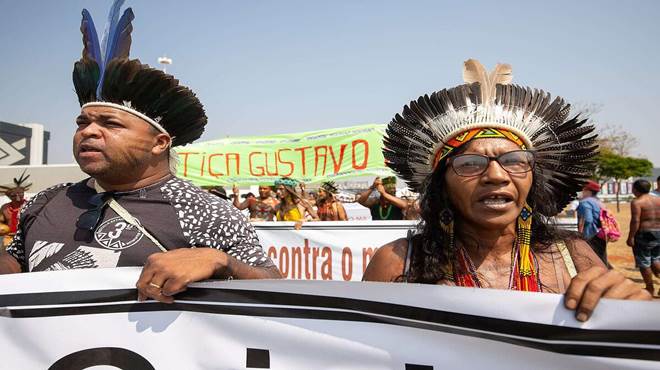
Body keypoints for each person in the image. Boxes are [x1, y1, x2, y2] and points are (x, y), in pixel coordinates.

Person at [0, 2, 281, 303]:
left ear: (159, 143)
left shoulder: (205, 211)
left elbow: (277, 289)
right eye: (82, 122)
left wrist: (220, 261)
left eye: (110, 123)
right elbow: (17, 262)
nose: (88, 132)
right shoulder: (48, 199)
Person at [363, 59, 650, 321]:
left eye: (514, 161)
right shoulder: (398, 263)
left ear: (532, 180)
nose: (496, 175)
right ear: (442, 185)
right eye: (470, 164)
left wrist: (637, 313)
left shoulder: (573, 256)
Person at [626, 179, 660, 295]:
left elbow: (635, 220)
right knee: (656, 259)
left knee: (644, 262)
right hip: (658, 233)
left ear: (635, 189)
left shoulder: (637, 202)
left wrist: (631, 237)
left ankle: (650, 288)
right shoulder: (658, 200)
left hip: (644, 234)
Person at [577, 180, 609, 266]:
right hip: (601, 234)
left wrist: (580, 234)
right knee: (601, 257)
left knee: (592, 260)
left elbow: (588, 220)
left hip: (591, 235)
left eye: (582, 189)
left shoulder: (585, 202)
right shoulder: (598, 202)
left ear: (588, 191)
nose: (580, 191)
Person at [0, 171, 31, 238]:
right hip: (9, 237)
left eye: (20, 194)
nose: (18, 198)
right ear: (8, 196)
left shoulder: (30, 205)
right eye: (13, 195)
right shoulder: (5, 208)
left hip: (26, 237)